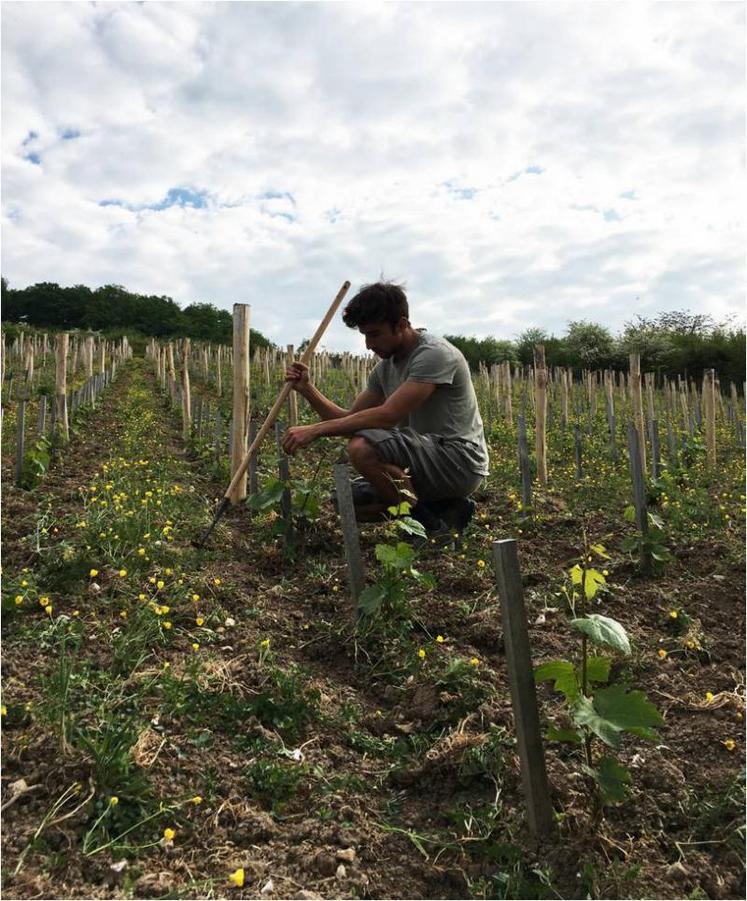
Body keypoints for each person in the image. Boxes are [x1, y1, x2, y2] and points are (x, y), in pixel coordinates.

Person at [281, 281, 489, 538]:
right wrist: (308, 390)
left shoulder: (435, 354)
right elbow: (349, 420)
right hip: (421, 462)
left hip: (458, 461)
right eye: (365, 335)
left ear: (402, 324)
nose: (368, 344)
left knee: (362, 448)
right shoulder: (385, 368)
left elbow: (389, 415)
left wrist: (316, 430)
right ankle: (445, 508)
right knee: (346, 502)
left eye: (375, 334)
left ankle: (427, 528)